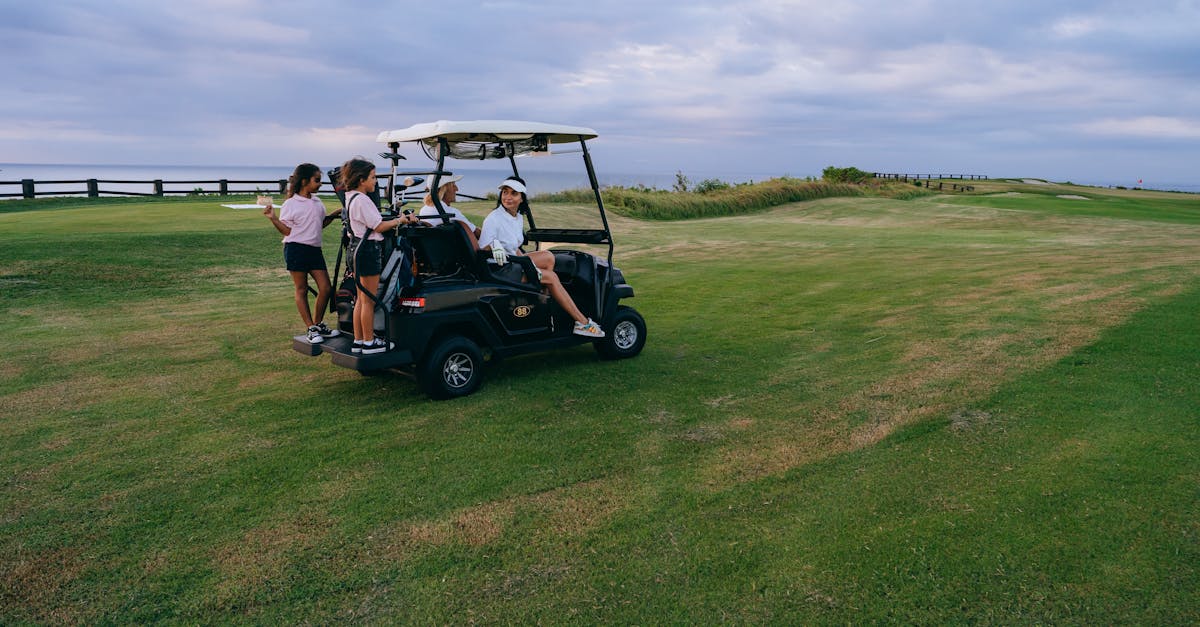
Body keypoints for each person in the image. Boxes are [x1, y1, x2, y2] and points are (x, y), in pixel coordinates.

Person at [480, 176, 604, 338]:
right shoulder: (494, 218)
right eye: (505, 192)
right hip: (501, 269)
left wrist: (527, 263)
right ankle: (582, 323)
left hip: (514, 263)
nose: (508, 197)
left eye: (513, 193)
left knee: (548, 257)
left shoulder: (516, 218)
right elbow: (484, 246)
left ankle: (542, 299)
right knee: (551, 277)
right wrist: (495, 245)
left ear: (522, 198)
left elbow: (514, 248)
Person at [341, 157, 420, 354]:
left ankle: (360, 339)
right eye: (373, 177)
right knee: (368, 300)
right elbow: (379, 226)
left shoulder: (350, 197)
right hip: (367, 251)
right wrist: (400, 220)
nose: (375, 181)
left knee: (361, 298)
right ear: (361, 179)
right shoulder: (363, 200)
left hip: (355, 249)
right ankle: (369, 342)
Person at [263, 163, 342, 344]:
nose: (320, 184)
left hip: (314, 250)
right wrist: (273, 218)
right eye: (317, 180)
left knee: (326, 288)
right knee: (302, 289)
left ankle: (317, 324)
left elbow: (320, 224)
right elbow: (287, 231)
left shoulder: (317, 202)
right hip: (296, 249)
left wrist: (336, 212)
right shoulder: (291, 204)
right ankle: (311, 328)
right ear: (305, 181)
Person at [416, 174, 481, 238]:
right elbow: (477, 233)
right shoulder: (451, 212)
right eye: (453, 185)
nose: (456, 189)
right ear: (444, 189)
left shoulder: (424, 210)